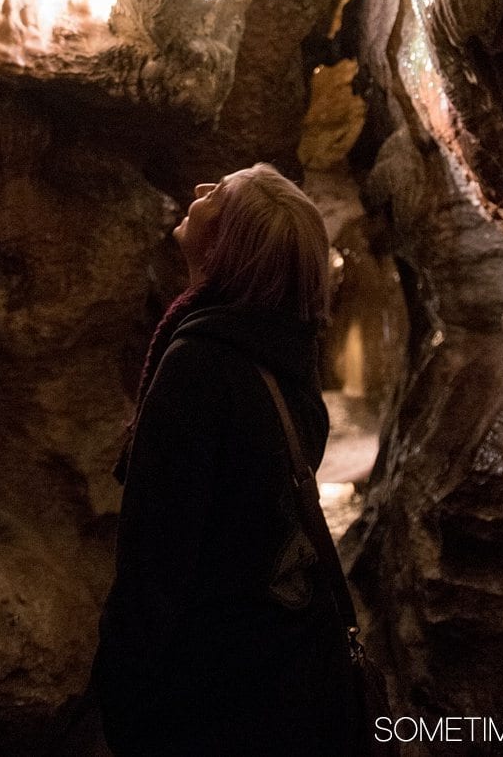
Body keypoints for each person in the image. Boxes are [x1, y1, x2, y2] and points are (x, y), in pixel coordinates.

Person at [91, 164, 358, 757]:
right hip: (275, 671)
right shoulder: (287, 354)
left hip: (208, 691)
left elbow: (157, 557)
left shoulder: (201, 367)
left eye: (222, 195)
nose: (200, 192)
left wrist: (123, 687)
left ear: (227, 246)